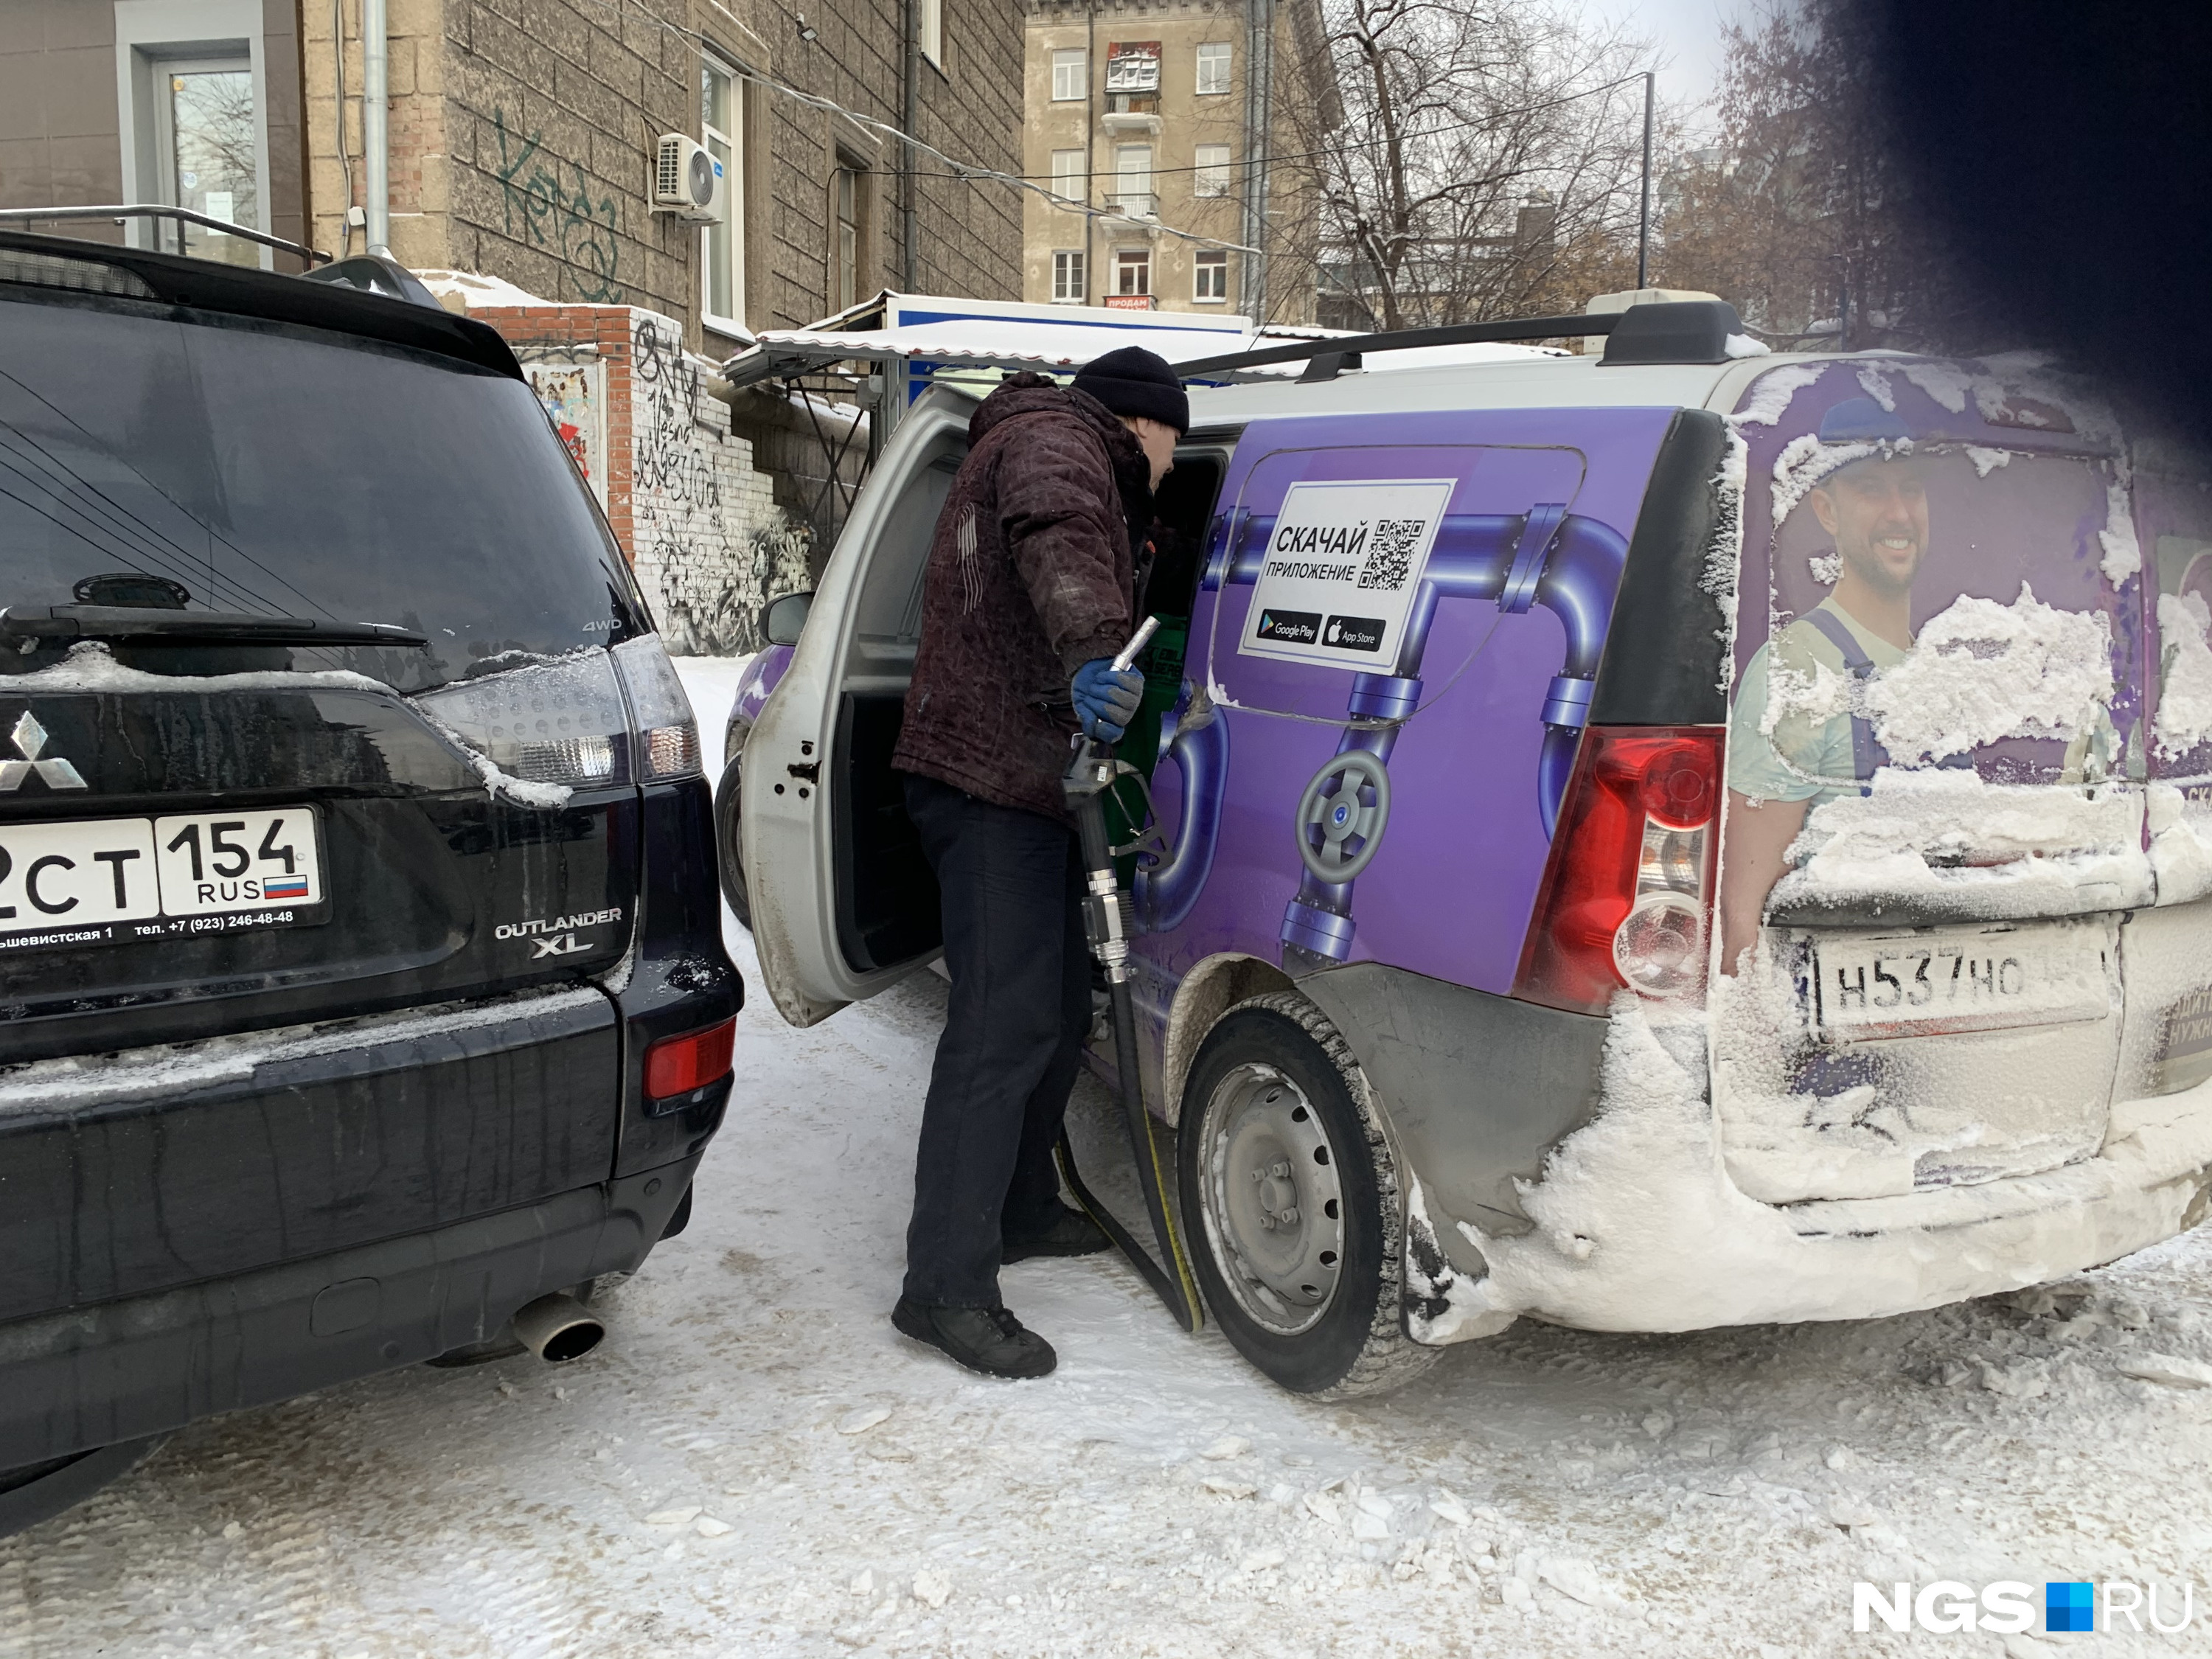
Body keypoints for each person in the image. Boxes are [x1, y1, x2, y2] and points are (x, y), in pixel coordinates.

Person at [886, 345, 1186, 1379]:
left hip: (1039, 777)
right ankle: (943, 1287)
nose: (1171, 465)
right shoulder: (1058, 439)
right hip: (986, 782)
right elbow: (1055, 533)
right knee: (999, 1027)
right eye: (1173, 445)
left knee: (1053, 1004)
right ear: (1143, 422)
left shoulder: (1067, 445)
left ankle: (1016, 1206)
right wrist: (1097, 649)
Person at [1719, 399, 1927, 972]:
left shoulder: (1944, 661)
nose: (1898, 513)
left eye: (1910, 489)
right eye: (1870, 490)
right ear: (1827, 511)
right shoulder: (1800, 668)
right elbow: (1745, 908)